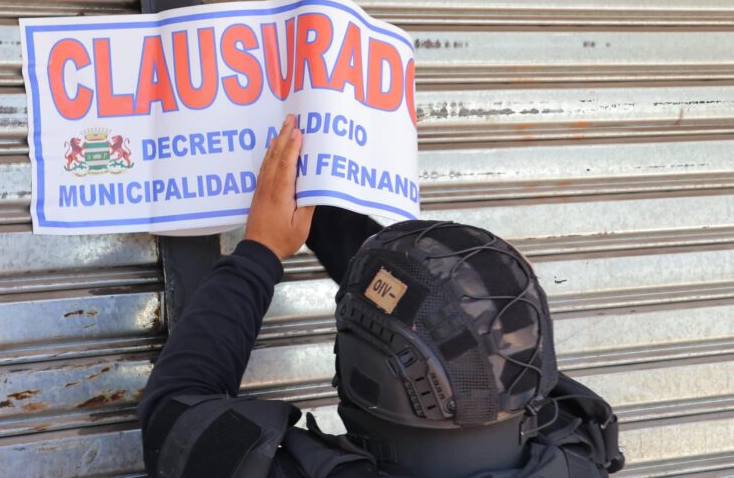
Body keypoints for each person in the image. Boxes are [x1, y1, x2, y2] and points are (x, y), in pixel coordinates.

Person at [140, 116, 624, 478]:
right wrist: (327, 213)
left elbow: (173, 411)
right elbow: (478, 338)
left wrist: (261, 251)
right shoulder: (580, 446)